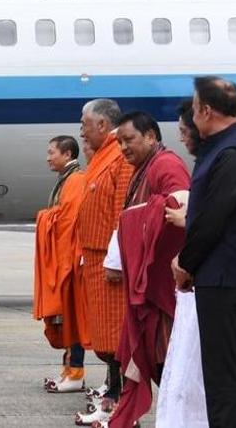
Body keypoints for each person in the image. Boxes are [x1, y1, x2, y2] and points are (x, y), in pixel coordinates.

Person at [172, 76, 236, 427]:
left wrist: (185, 262)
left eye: (195, 110)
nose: (192, 118)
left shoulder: (234, 151)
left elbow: (214, 216)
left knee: (223, 371)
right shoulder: (225, 146)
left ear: (207, 111)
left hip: (224, 274)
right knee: (218, 367)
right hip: (219, 272)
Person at [103, 112, 190, 427]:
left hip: (160, 287)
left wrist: (139, 220)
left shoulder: (166, 165)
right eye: (120, 142)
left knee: (164, 359)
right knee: (151, 358)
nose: (123, 148)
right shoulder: (143, 169)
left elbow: (180, 209)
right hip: (146, 284)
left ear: (152, 136)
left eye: (129, 140)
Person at [74, 99, 135, 426]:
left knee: (116, 339)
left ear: (101, 125)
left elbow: (121, 215)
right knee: (105, 339)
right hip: (97, 259)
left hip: (110, 263)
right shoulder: (101, 156)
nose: (81, 129)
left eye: (85, 123)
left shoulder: (118, 156)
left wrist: (115, 259)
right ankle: (112, 401)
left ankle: (120, 406)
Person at [155, 99, 209, 428]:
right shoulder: (206, 162)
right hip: (199, 278)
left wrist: (185, 222)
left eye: (184, 131)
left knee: (205, 362)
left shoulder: (222, 160)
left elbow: (220, 219)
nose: (182, 138)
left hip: (212, 279)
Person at [34, 136, 90, 393]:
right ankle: (68, 370)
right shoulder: (67, 178)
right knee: (64, 316)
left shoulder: (76, 180)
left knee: (72, 316)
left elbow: (69, 222)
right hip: (62, 257)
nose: (48, 157)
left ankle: (76, 371)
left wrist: (46, 218)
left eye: (52, 152)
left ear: (67, 155)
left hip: (68, 259)